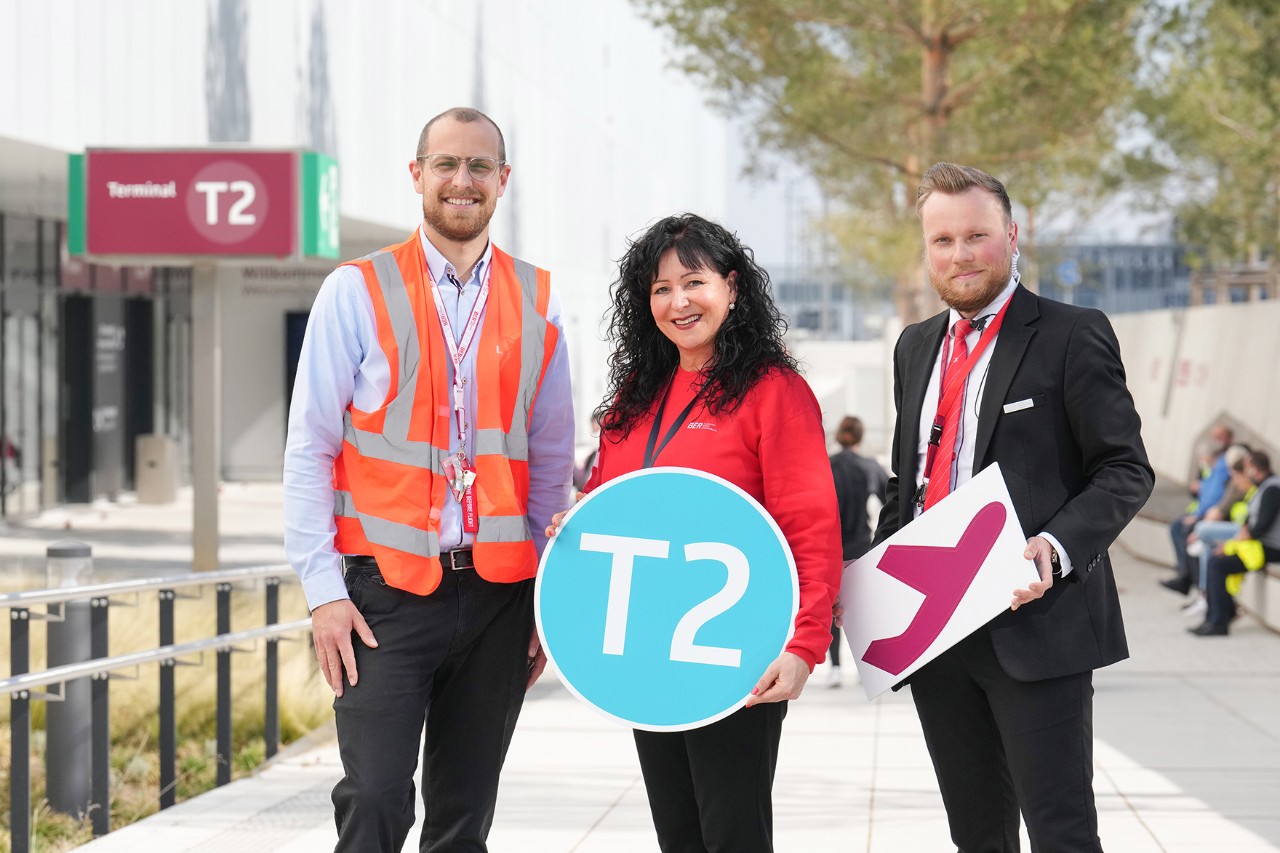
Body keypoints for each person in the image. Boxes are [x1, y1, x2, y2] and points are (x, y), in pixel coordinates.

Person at [283, 107, 575, 853]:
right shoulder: (356, 291)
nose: (462, 181)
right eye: (445, 164)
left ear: (502, 182)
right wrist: (323, 592)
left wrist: (547, 599)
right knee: (375, 797)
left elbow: (549, 462)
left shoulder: (539, 301)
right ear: (417, 176)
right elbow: (309, 447)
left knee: (463, 819)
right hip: (383, 597)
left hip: (499, 599)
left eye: (480, 167)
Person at [873, 163, 1153, 852]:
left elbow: (1125, 469)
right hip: (934, 632)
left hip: (1035, 624)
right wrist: (872, 580)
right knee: (975, 832)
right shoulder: (914, 347)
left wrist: (1056, 547)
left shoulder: (1071, 333)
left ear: (1013, 235)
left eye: (976, 235)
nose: (959, 254)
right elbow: (907, 477)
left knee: (1060, 832)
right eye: (942, 240)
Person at [551, 213, 842, 852]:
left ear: (732, 288)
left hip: (737, 650)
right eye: (660, 289)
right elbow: (615, 501)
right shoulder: (635, 395)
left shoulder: (775, 393)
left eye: (694, 282)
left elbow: (810, 523)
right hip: (646, 649)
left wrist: (804, 645)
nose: (678, 302)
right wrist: (580, 524)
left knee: (733, 833)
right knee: (678, 835)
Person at [826, 415, 887, 687]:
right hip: (862, 544)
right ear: (860, 437)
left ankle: (836, 667)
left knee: (832, 606)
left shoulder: (826, 465)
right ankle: (868, 665)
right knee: (864, 607)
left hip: (831, 545)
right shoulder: (870, 466)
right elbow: (891, 500)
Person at [1191, 449, 1280, 636]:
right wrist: (1232, 543)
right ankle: (1218, 616)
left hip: (1271, 548)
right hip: (1258, 546)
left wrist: (1235, 542)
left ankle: (1218, 623)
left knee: (1217, 565)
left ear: (1255, 469)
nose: (1245, 473)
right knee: (1216, 558)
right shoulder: (1265, 486)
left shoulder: (1272, 488)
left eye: (1247, 468)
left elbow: (1260, 527)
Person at [1162, 424, 1233, 594]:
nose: (1201, 459)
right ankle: (1184, 575)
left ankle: (1191, 581)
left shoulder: (1222, 466)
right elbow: (1204, 493)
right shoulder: (1211, 467)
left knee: (1187, 530)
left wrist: (1197, 515)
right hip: (1202, 511)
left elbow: (1215, 496)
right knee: (1176, 527)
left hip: (1213, 514)